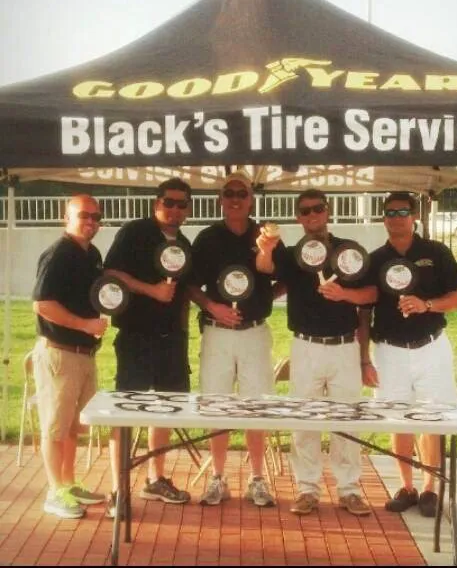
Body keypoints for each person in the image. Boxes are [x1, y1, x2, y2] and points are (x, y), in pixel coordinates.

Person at [256, 188, 377, 516]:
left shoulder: (347, 251)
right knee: (304, 419)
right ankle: (307, 488)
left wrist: (344, 295)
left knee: (346, 419)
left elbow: (371, 294)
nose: (312, 215)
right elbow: (265, 268)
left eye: (318, 209)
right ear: (299, 217)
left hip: (344, 346)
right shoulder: (292, 254)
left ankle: (349, 489)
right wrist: (265, 247)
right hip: (306, 346)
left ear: (327, 211)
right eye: (305, 211)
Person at [362, 191, 457, 518]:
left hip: (431, 348)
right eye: (390, 213)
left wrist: (426, 304)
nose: (396, 218)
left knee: (432, 418)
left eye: (402, 212)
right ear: (384, 218)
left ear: (415, 216)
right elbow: (364, 311)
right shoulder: (375, 259)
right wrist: (364, 359)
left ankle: (430, 487)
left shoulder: (436, 252)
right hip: (389, 351)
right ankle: (406, 487)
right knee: (398, 419)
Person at [103, 177, 193, 518]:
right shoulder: (134, 232)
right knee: (125, 410)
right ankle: (118, 490)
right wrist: (151, 290)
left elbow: (186, 292)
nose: (174, 209)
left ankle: (156, 479)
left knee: (167, 409)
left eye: (181, 204)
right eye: (168, 202)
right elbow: (112, 272)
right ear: (157, 203)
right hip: (135, 337)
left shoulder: (184, 244)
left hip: (172, 341)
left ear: (188, 209)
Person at [189, 170, 276, 507]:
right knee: (217, 404)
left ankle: (257, 478)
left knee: (256, 405)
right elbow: (191, 285)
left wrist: (264, 300)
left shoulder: (265, 234)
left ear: (251, 199)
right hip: (217, 333)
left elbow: (283, 275)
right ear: (220, 200)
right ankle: (217, 477)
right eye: (229, 193)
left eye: (242, 193)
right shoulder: (207, 238)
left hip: (255, 332)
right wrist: (212, 307)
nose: (235, 199)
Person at [32, 194, 108, 519]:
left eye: (96, 217)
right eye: (84, 215)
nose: (91, 221)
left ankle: (68, 483)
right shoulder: (58, 254)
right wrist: (84, 325)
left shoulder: (92, 254)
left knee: (74, 427)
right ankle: (54, 492)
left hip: (85, 354)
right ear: (67, 218)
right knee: (55, 428)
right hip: (60, 353)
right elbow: (42, 304)